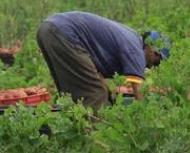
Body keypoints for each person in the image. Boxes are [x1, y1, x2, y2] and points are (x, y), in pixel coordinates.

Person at [35, 11, 169, 112]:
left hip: (48, 29)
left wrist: (109, 94)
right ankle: (93, 142)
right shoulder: (136, 49)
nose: (153, 66)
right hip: (64, 33)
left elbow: (93, 73)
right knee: (95, 95)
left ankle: (60, 133)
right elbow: (138, 92)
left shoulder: (130, 37)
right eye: (157, 61)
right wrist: (145, 117)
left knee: (72, 95)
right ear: (151, 49)